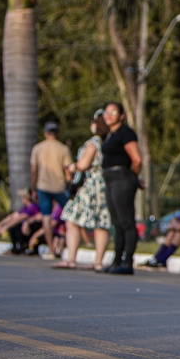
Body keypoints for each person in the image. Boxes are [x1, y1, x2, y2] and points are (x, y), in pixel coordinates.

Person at [53, 111, 112, 271]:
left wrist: (73, 167)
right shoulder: (111, 142)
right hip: (105, 185)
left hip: (89, 186)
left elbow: (84, 164)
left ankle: (71, 259)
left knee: (72, 218)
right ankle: (98, 262)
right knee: (101, 223)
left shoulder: (93, 143)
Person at [100, 102, 141, 274]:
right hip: (110, 178)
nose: (109, 115)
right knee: (116, 222)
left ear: (122, 115)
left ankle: (127, 262)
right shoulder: (110, 134)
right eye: (106, 112)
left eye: (113, 112)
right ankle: (117, 260)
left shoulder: (126, 133)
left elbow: (137, 159)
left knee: (126, 221)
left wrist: (133, 177)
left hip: (121, 178)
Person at [30, 121, 72, 252]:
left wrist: (33, 189)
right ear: (57, 134)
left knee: (46, 218)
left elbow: (34, 171)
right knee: (71, 214)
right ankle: (72, 242)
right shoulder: (63, 149)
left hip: (43, 187)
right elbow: (67, 170)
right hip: (59, 187)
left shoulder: (37, 148)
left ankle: (51, 249)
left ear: (45, 134)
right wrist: (71, 186)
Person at [0, 189, 41, 255]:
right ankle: (16, 247)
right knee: (14, 226)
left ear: (26, 198)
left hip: (31, 230)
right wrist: (0, 224)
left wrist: (5, 227)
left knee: (16, 226)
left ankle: (23, 247)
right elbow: (12, 216)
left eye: (22, 197)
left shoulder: (33, 207)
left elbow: (20, 218)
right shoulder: (25, 208)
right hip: (26, 229)